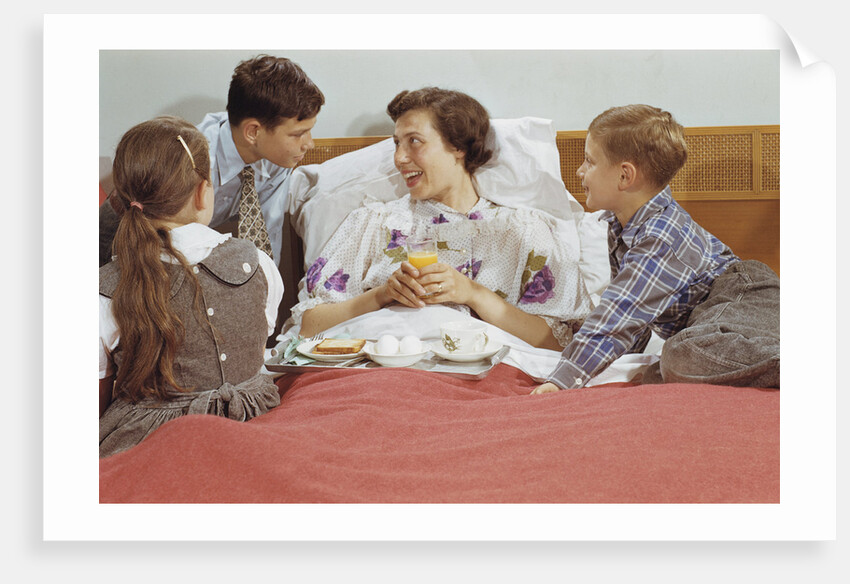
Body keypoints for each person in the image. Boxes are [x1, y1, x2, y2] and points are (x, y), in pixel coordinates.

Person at [292, 87, 593, 350]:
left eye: (414, 141)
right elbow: (308, 326)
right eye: (397, 143)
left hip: (489, 380)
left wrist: (473, 294)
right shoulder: (374, 223)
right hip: (385, 376)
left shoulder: (522, 230)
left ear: (458, 147)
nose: (399, 158)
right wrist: (382, 295)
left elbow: (560, 344)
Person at [532, 104, 780, 394]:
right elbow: (634, 312)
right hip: (711, 320)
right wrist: (620, 366)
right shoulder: (619, 225)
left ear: (624, 176)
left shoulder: (660, 237)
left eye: (589, 161)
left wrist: (560, 381)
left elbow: (617, 316)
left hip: (744, 297)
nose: (580, 171)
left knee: (679, 356)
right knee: (663, 367)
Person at [99, 116, 284, 458]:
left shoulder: (104, 291)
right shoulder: (259, 264)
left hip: (155, 450)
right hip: (257, 433)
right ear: (202, 192)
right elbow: (255, 356)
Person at [99, 54, 325, 268]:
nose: (309, 144)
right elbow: (167, 240)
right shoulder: (191, 160)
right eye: (298, 134)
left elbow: (266, 236)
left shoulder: (279, 158)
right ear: (253, 132)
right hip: (123, 227)